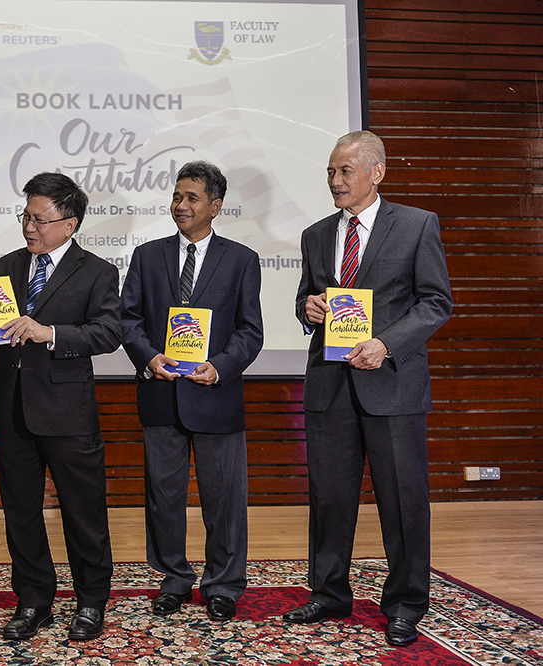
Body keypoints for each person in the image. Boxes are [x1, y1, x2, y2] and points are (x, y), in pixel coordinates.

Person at [285, 130, 452, 647]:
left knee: (403, 502)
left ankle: (405, 604)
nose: (334, 181)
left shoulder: (417, 225)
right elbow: (306, 299)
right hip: (330, 386)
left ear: (377, 173)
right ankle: (329, 593)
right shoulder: (315, 234)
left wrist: (386, 343)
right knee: (329, 499)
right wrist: (308, 308)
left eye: (345, 171)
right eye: (330, 172)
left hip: (392, 386)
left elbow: (435, 302)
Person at [0, 172, 121, 642]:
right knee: (20, 513)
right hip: (11, 408)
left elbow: (108, 332)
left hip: (67, 412)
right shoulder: (6, 265)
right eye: (26, 217)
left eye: (39, 219)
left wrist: (50, 333)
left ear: (69, 223)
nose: (29, 227)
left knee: (83, 512)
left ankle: (91, 600)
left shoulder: (97, 271)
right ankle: (34, 600)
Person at [121, 160, 263, 621]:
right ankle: (174, 579)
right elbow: (128, 319)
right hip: (161, 395)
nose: (180, 205)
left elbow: (250, 331)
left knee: (224, 502)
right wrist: (149, 358)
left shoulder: (241, 259)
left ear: (215, 206)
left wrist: (219, 367)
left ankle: (223, 585)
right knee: (164, 499)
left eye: (191, 198)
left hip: (216, 396)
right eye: (177, 196)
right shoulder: (147, 255)